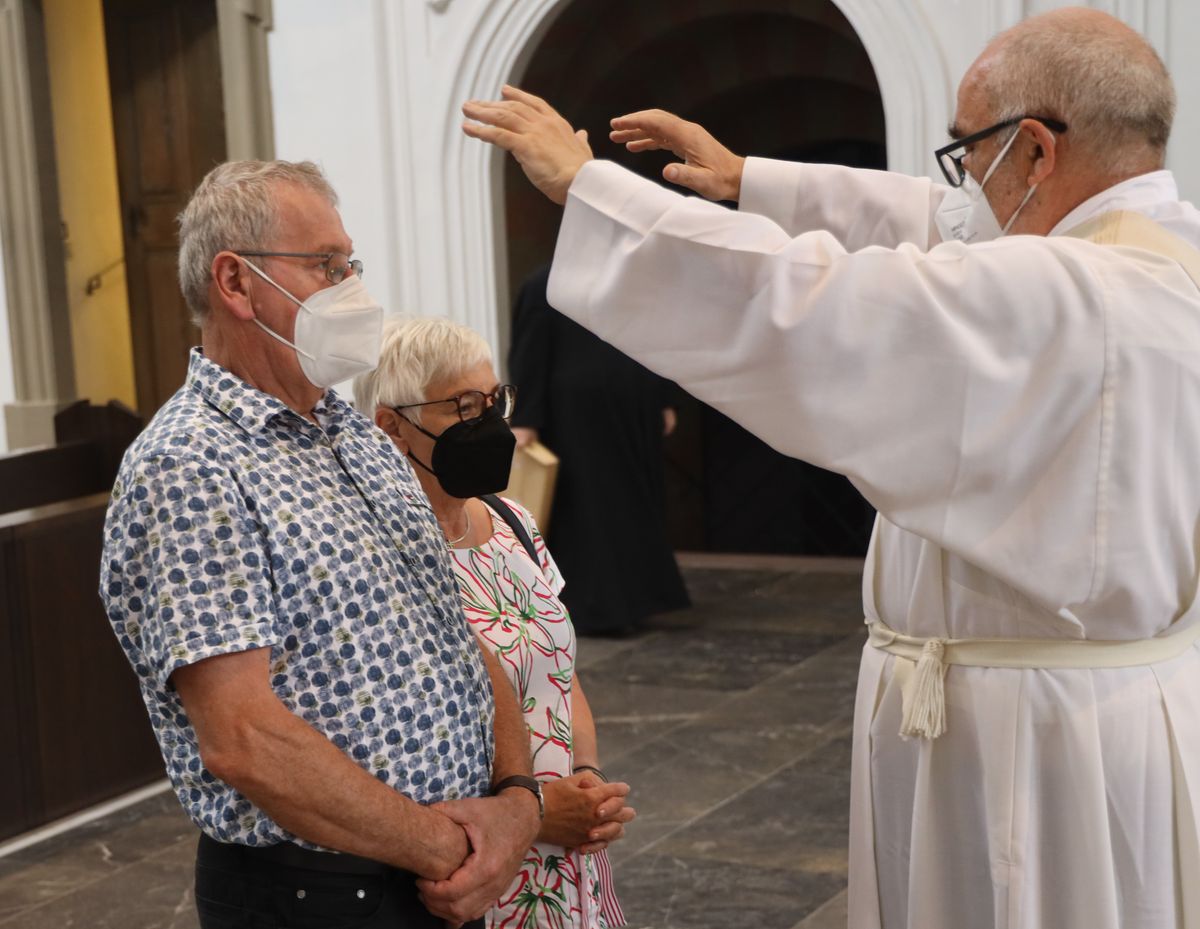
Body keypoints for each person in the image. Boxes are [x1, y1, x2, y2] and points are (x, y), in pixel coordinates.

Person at [461, 8, 1200, 929]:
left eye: (968, 147)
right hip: (1111, 708)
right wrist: (754, 181)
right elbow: (943, 225)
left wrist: (593, 191)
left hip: (1026, 746)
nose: (961, 178)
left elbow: (812, 300)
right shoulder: (1160, 256)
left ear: (1038, 150)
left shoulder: (1058, 292)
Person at [99, 160, 541, 929]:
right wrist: (445, 846)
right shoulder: (191, 464)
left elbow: (456, 639)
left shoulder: (357, 437)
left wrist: (515, 803)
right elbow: (244, 738)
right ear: (235, 284)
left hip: (447, 873)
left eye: (352, 265)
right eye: (326, 266)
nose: (351, 290)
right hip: (322, 895)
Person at [353, 315, 635, 929]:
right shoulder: (381, 555)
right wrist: (535, 808)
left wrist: (586, 780)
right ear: (391, 427)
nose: (489, 423)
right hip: (483, 860)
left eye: (493, 399)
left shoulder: (510, 521)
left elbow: (560, 675)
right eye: (463, 406)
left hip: (570, 851)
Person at [509, 265, 689, 636]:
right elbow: (530, 349)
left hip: (632, 408)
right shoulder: (545, 284)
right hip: (576, 418)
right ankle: (598, 608)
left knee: (634, 502)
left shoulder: (633, 281)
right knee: (591, 507)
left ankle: (637, 599)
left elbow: (657, 337)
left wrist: (664, 399)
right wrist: (524, 418)